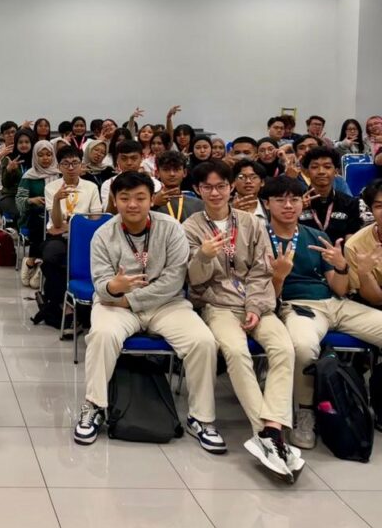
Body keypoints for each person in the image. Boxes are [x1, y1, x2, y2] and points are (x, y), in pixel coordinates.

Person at [74, 171, 225, 454]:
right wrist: (113, 287)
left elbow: (174, 280)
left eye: (140, 198)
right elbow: (101, 284)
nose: (132, 204)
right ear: (115, 200)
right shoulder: (103, 234)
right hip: (115, 304)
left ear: (151, 199)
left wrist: (130, 300)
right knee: (102, 335)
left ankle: (201, 418)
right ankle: (94, 406)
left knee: (203, 341)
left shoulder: (171, 228)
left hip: (163, 304)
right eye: (125, 198)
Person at [183, 161, 301, 479]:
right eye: (207, 187)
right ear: (197, 190)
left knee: (284, 348)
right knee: (236, 352)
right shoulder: (190, 227)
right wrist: (203, 256)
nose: (215, 193)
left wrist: (255, 307)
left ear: (231, 187)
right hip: (217, 305)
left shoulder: (251, 222)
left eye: (221, 186)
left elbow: (263, 270)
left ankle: (272, 428)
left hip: (257, 303)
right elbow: (193, 280)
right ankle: (264, 432)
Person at [263, 175, 382, 449]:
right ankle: (306, 412)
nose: (288, 206)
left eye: (294, 199)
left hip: (335, 304)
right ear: (267, 204)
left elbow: (338, 288)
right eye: (280, 200)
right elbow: (267, 296)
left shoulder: (317, 236)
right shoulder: (260, 238)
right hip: (297, 306)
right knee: (303, 347)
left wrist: (341, 267)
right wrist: (279, 276)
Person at [32, 146, 102, 327]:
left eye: (75, 163)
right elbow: (56, 224)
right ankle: (64, 303)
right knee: (50, 257)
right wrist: (57, 200)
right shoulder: (51, 188)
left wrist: (72, 225)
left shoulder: (91, 187)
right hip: (58, 237)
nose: (71, 168)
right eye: (66, 164)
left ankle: (56, 303)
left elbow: (95, 219)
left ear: (81, 165)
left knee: (60, 263)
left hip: (84, 237)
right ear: (59, 166)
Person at [15, 140, 64, 290]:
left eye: (49, 154)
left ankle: (38, 262)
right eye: (41, 155)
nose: (45, 158)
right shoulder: (29, 176)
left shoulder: (60, 174)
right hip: (33, 216)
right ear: (35, 157)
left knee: (51, 220)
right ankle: (32, 260)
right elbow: (19, 202)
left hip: (58, 215)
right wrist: (32, 200)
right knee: (40, 217)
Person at [297, 146, 363, 244]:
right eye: (314, 167)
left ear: (336, 171)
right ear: (306, 172)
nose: (321, 172)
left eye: (327, 167)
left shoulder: (350, 203)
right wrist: (296, 209)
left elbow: (351, 238)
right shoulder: (296, 202)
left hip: (339, 252)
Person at [345, 179, 382, 306]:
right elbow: (376, 300)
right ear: (371, 210)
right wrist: (365, 273)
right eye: (379, 206)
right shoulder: (354, 246)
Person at [100, 140, 163, 209]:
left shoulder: (155, 184)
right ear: (117, 159)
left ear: (142, 158)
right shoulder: (108, 184)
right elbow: (108, 213)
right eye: (124, 158)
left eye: (134, 158)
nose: (129, 163)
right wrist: (111, 198)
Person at [152, 150, 203, 222]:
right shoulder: (150, 203)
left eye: (176, 169)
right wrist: (153, 204)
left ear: (184, 172)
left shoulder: (198, 204)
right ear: (157, 173)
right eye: (166, 170)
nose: (172, 174)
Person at [0, 129, 36, 223]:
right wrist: (9, 170)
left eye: (27, 142)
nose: (24, 145)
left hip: (31, 196)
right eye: (20, 142)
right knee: (22, 213)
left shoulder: (36, 159)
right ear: (16, 144)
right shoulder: (9, 158)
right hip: (11, 195)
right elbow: (5, 184)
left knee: (38, 212)